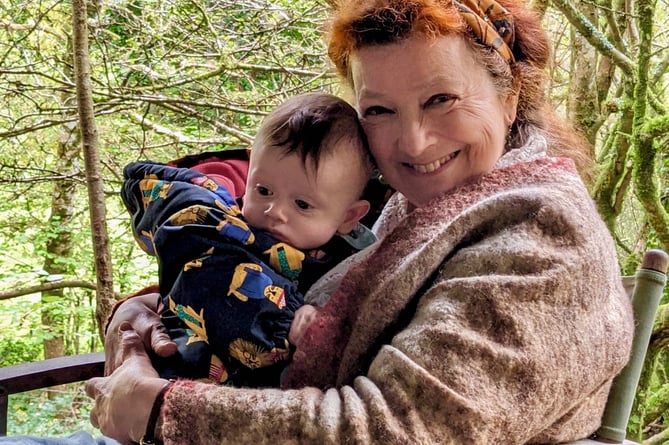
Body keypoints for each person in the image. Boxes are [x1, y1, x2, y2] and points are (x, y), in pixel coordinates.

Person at [1, 0, 634, 443]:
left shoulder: (542, 241)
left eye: (441, 98)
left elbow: (394, 430)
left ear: (511, 93)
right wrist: (141, 315)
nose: (412, 142)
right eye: (380, 110)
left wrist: (157, 409)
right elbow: (275, 270)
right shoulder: (419, 203)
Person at [120, 92, 376, 386]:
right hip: (180, 383)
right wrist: (287, 320)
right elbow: (203, 278)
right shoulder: (221, 228)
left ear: (349, 217)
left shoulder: (359, 258)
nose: (274, 211)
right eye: (263, 190)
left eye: (302, 205)